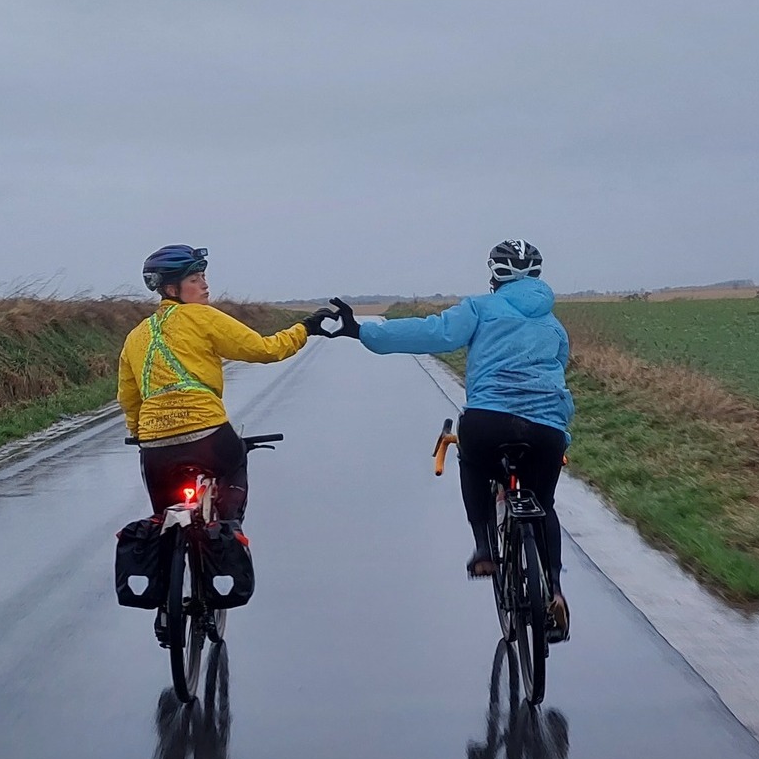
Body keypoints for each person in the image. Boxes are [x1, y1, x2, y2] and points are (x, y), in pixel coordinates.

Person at [327, 240, 574, 641]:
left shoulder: (480, 307)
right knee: (543, 505)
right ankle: (555, 591)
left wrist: (363, 332)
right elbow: (559, 372)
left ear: (494, 274)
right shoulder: (553, 325)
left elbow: (434, 333)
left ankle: (484, 550)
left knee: (474, 463)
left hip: (489, 420)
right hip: (545, 429)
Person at [118, 244, 335, 521]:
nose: (205, 286)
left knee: (162, 523)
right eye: (195, 280)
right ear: (172, 290)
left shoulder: (135, 336)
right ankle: (228, 536)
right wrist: (305, 328)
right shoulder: (202, 316)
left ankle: (163, 550)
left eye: (204, 278)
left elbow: (129, 396)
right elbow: (265, 350)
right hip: (207, 435)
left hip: (155, 449)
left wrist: (140, 432)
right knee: (232, 476)